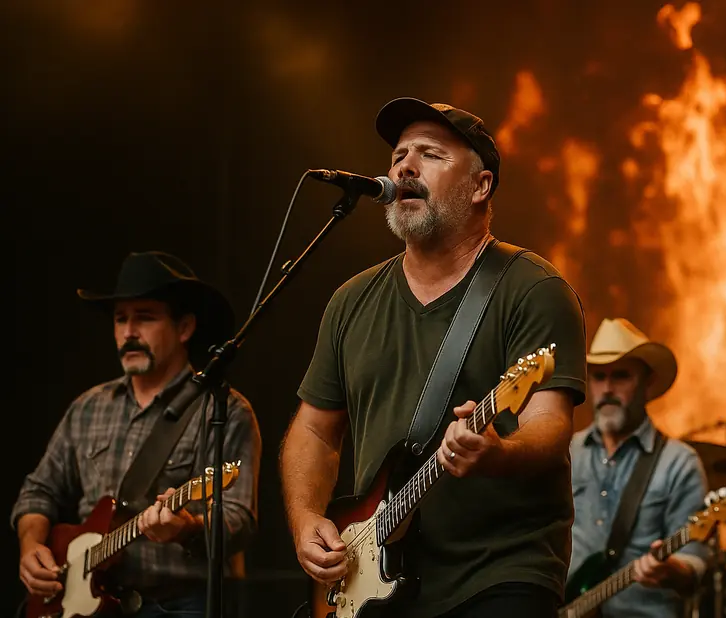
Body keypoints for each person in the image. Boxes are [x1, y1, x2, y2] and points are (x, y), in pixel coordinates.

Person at [280, 97, 588, 618]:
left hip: (498, 573)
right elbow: (313, 431)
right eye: (399, 154)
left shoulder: (532, 288)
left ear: (480, 186)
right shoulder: (352, 300)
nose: (404, 166)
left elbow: (548, 424)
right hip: (377, 578)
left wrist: (498, 453)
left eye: (431, 154)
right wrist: (307, 518)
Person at [13, 251, 262, 616]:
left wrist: (186, 529)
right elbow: (39, 491)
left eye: (144, 318)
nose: (128, 332)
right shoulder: (88, 407)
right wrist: (30, 545)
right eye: (120, 319)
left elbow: (239, 519)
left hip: (176, 604)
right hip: (83, 602)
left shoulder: (225, 410)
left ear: (184, 328)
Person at [567, 317, 712, 618]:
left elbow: (695, 564)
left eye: (621, 376)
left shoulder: (679, 463)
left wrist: (673, 570)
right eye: (598, 377)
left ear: (647, 383)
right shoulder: (567, 453)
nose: (607, 388)